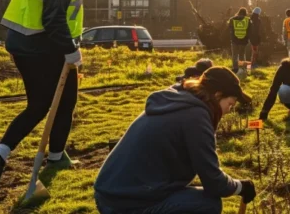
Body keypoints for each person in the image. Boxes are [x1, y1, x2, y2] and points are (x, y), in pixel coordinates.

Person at [0, 0, 86, 195]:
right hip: (46, 46)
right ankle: (56, 158)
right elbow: (53, 17)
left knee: (38, 106)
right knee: (65, 102)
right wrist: (70, 50)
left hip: (23, 45)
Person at [94, 67, 256, 213]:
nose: (229, 111)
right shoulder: (197, 116)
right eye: (230, 104)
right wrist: (240, 187)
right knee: (208, 204)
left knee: (194, 194)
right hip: (123, 204)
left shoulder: (179, 99)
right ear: (217, 95)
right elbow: (214, 182)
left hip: (110, 192)